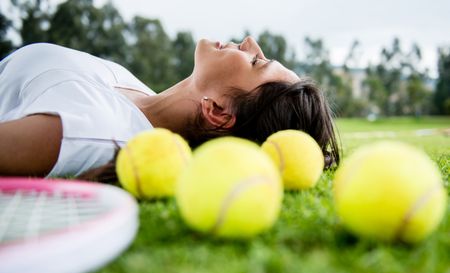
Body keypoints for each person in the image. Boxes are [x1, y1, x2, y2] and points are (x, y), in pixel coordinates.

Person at [0, 36, 340, 179]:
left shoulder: (94, 130)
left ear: (219, 112)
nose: (251, 42)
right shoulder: (139, 95)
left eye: (256, 62)